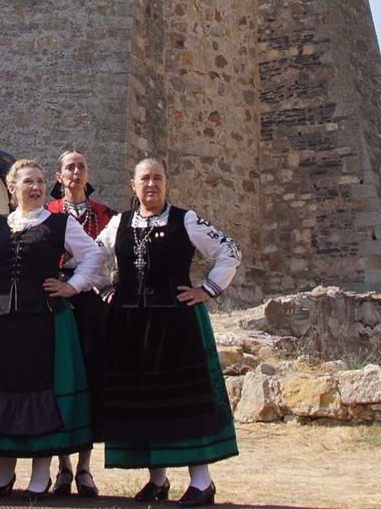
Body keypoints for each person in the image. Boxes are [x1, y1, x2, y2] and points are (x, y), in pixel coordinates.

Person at [94, 159, 241, 507]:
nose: (151, 184)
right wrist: (104, 290)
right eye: (145, 178)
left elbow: (230, 251)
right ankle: (157, 480)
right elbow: (91, 258)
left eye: (157, 178)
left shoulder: (186, 220)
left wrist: (207, 289)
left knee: (186, 402)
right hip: (131, 327)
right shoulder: (118, 224)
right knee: (146, 402)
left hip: (176, 325)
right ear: (133, 184)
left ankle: (202, 483)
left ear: (167, 183)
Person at [0, 159, 101, 500]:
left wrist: (73, 286)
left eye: (40, 181)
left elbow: (93, 256)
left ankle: (40, 475)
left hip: (45, 321)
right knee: (3, 391)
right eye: (29, 181)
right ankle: (5, 473)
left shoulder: (60, 224)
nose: (36, 187)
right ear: (12, 188)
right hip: (1, 322)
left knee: (42, 393)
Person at [45, 147, 116, 498]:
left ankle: (85, 468)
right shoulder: (47, 213)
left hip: (92, 301)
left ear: (88, 176)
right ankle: (62, 467)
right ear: (59, 177)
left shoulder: (105, 215)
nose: (76, 172)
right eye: (69, 168)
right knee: (61, 379)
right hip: (57, 298)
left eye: (81, 167)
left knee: (89, 376)